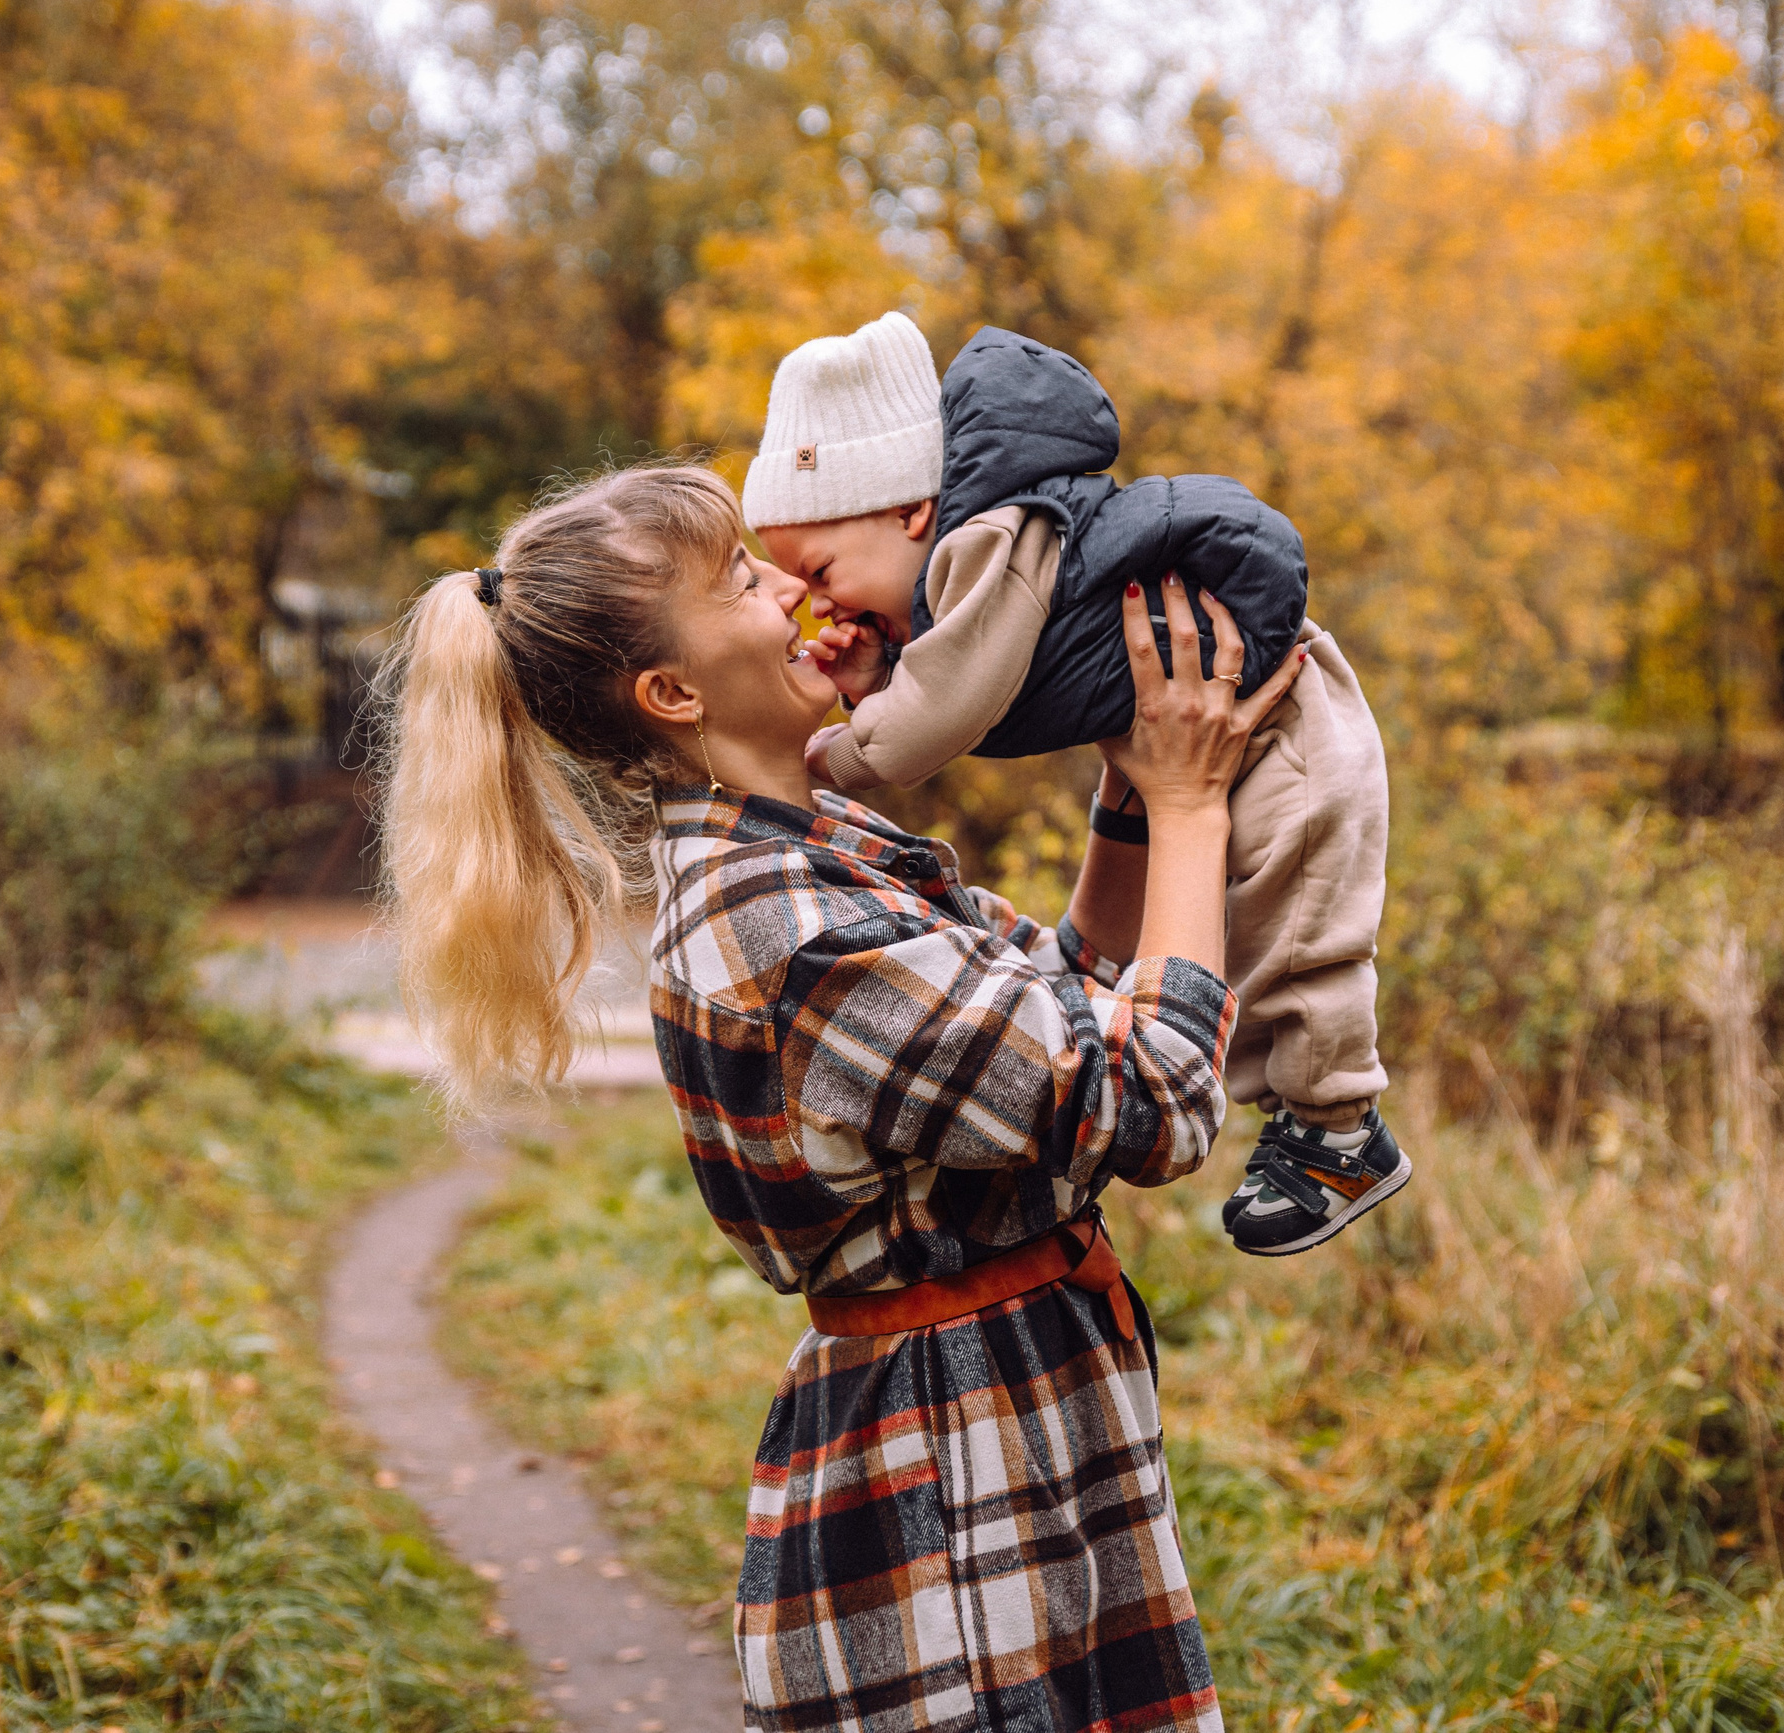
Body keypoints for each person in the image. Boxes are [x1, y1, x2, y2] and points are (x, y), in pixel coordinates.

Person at [374, 462, 1302, 1733]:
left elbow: (1067, 998)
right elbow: (1148, 1103)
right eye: (744, 580)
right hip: (949, 1481)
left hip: (1012, 1417)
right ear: (674, 690)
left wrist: (1131, 788)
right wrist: (1195, 803)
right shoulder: (783, 926)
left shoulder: (822, 844)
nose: (795, 585)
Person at [742, 312, 1409, 1256]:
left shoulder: (989, 541)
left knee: (1301, 937)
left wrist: (831, 756)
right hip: (1227, 718)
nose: (821, 604)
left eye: (821, 571)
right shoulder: (966, 563)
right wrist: (875, 686)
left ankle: (1339, 1129)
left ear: (908, 513)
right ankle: (1314, 1126)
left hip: (1286, 716)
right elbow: (968, 680)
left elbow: (946, 710)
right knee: (1262, 934)